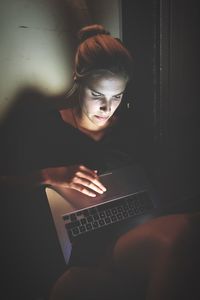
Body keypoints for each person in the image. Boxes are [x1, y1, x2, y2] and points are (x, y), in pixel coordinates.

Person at [1, 24, 199, 300]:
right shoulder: (45, 126)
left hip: (132, 230)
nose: (107, 109)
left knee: (191, 226)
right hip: (82, 246)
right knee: (185, 233)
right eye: (97, 96)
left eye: (117, 97)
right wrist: (50, 174)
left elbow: (158, 181)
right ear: (77, 81)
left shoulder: (132, 129)